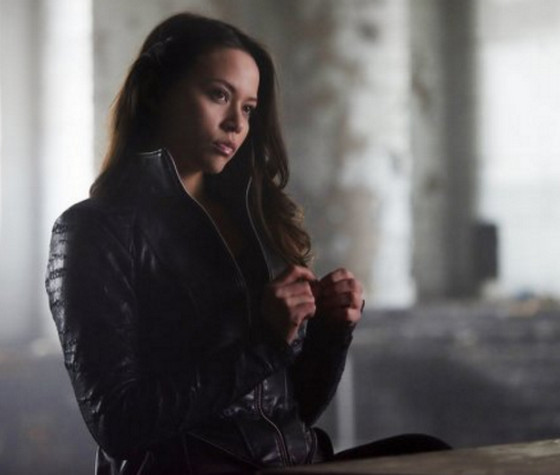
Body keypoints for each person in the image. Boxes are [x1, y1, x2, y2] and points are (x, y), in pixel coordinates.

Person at [45, 13, 448, 475]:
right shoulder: (90, 231)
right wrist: (266, 341)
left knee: (431, 453)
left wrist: (331, 332)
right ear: (157, 92)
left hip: (296, 462)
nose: (236, 123)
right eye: (219, 95)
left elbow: (291, 415)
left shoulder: (257, 220)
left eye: (250, 108)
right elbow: (117, 423)